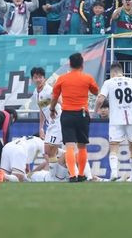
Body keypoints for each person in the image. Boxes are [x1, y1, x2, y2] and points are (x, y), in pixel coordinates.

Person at [95, 62, 132, 181]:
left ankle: (114, 173)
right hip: (131, 119)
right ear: (122, 71)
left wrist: (95, 110)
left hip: (116, 119)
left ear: (112, 73)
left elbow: (100, 98)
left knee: (114, 146)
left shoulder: (109, 83)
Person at [49, 52, 99, 182]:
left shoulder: (62, 78)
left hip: (67, 114)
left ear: (70, 64)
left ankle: (72, 175)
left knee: (69, 146)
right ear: (82, 64)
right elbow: (96, 91)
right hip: (82, 114)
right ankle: (81, 174)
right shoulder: (87, 78)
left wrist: (52, 109)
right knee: (82, 146)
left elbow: (54, 97)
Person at [32, 66, 62, 181]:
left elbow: (61, 101)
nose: (38, 79)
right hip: (50, 124)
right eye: (36, 77)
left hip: (58, 121)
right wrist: (41, 128)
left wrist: (67, 116)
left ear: (44, 78)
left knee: (50, 150)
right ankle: (55, 175)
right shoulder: (36, 93)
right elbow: (42, 110)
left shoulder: (49, 90)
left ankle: (53, 177)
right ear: (32, 79)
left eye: (40, 77)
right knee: (48, 150)